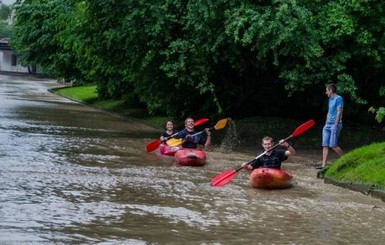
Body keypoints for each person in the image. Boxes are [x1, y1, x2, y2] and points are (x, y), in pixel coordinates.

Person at [318, 83, 344, 169]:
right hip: (328, 125)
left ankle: (345, 159)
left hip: (335, 124)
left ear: (331, 90)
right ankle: (323, 165)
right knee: (325, 145)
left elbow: (339, 111)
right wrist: (326, 124)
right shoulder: (330, 99)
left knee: (333, 145)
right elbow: (329, 112)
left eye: (327, 90)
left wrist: (336, 124)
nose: (326, 92)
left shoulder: (339, 98)